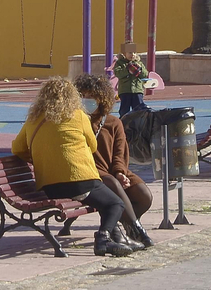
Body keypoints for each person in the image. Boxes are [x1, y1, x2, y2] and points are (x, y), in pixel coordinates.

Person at [11, 77, 134, 257]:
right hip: (79, 181)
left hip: (49, 186)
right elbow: (92, 145)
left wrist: (42, 158)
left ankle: (114, 236)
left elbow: (17, 148)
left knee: (104, 200)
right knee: (115, 203)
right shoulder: (79, 115)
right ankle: (103, 238)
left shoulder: (33, 120)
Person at [74, 73, 154, 248]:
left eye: (92, 97)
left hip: (113, 170)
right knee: (111, 184)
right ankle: (135, 230)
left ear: (102, 98)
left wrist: (120, 172)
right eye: (83, 96)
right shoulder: (76, 121)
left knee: (144, 196)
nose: (87, 101)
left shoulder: (113, 122)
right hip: (90, 172)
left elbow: (120, 151)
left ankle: (116, 225)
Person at [114, 40, 150, 117]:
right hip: (125, 90)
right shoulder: (120, 63)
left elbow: (145, 75)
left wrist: (140, 69)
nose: (132, 55)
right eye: (130, 53)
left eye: (134, 53)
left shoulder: (139, 63)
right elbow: (117, 73)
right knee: (124, 110)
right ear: (124, 53)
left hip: (137, 90)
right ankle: (124, 123)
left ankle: (139, 124)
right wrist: (127, 70)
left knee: (139, 110)